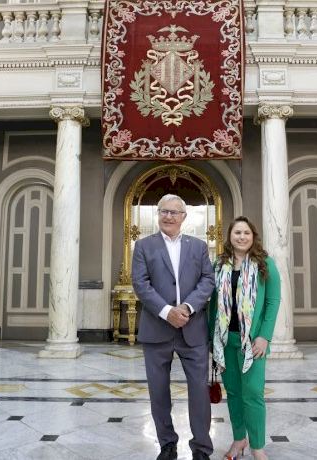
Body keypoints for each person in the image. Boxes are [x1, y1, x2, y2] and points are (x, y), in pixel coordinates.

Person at [132, 194, 215, 460]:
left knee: (200, 391)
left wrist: (188, 308)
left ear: (184, 217)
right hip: (156, 329)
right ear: (158, 214)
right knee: (158, 391)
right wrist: (167, 312)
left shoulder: (199, 247)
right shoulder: (144, 246)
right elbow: (140, 284)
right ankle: (167, 444)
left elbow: (207, 280)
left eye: (174, 212)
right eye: (164, 211)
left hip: (193, 329)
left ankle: (201, 447)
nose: (168, 216)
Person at [208, 216, 281, 460]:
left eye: (246, 233)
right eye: (237, 232)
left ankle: (257, 446)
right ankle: (239, 440)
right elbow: (213, 305)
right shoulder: (219, 265)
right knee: (234, 393)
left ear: (253, 236)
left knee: (253, 393)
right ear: (229, 236)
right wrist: (213, 340)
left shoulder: (265, 264)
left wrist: (265, 337)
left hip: (253, 343)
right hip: (226, 341)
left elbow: (272, 302)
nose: (241, 237)